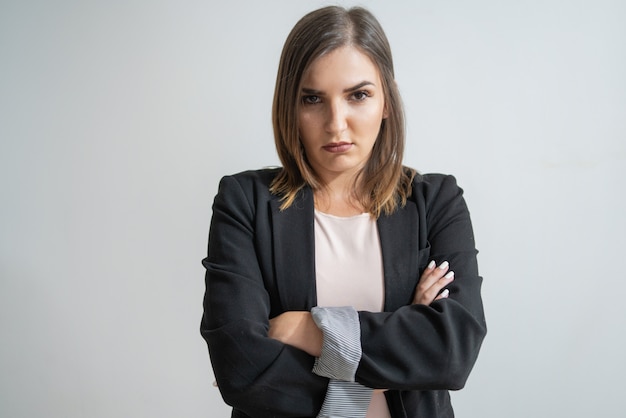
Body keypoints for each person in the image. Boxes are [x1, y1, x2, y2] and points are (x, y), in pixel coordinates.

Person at [201, 5, 486, 418]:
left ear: (386, 100)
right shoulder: (245, 201)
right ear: (290, 108)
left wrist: (309, 329)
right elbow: (241, 368)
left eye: (359, 95)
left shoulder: (437, 202)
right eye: (313, 98)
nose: (337, 123)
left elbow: (452, 352)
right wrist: (403, 347)